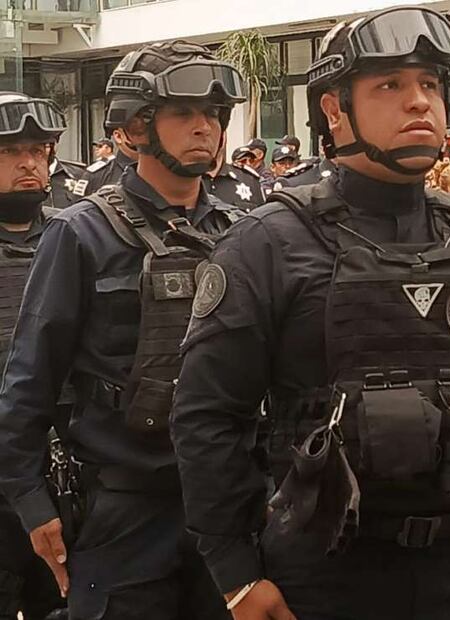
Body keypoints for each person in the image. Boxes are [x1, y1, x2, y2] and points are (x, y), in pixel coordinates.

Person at [170, 8, 450, 620]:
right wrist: (237, 574)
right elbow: (207, 416)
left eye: (430, 85)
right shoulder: (268, 242)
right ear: (333, 110)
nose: (419, 103)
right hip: (322, 570)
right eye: (390, 86)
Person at [0, 40, 246, 619]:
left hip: (232, 504)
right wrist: (31, 501)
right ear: (136, 127)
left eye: (212, 114)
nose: (203, 128)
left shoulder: (249, 233)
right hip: (124, 506)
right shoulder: (81, 233)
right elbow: (30, 378)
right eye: (183, 113)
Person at [0, 92, 68, 620]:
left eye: (37, 151)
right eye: (9, 152)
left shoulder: (78, 237)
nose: (29, 163)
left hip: (61, 474)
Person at [75, 127, 138, 198]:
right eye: (96, 147)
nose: (96, 149)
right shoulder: (94, 169)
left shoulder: (119, 167)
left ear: (108, 149)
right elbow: (78, 195)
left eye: (100, 146)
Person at [205, 138, 265, 212]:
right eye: (243, 161)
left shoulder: (251, 181)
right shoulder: (189, 181)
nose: (248, 163)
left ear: (224, 137)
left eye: (251, 160)